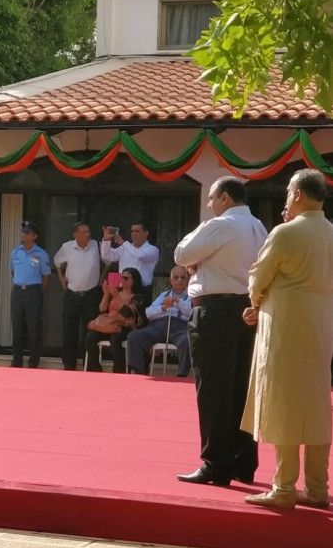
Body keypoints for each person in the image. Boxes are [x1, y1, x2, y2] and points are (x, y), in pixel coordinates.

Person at [239, 169, 333, 509]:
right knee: (316, 404)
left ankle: (283, 488)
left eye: (288, 193)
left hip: (285, 327)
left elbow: (258, 276)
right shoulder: (330, 233)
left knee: (285, 405)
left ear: (297, 195)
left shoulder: (285, 232)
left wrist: (255, 303)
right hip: (321, 328)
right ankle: (319, 487)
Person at [174, 176, 267, 487]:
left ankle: (216, 463)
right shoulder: (258, 227)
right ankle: (243, 461)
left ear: (225, 198)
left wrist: (198, 260)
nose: (210, 205)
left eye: (212, 198)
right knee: (242, 390)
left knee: (213, 389)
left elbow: (182, 254)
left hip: (215, 313)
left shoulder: (222, 225)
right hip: (246, 311)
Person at [126, 265, 193, 376]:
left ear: (188, 280)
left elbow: (191, 314)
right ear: (170, 280)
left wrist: (178, 302)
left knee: (187, 341)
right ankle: (136, 372)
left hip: (179, 327)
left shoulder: (191, 296)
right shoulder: (163, 295)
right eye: (176, 277)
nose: (179, 280)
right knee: (134, 336)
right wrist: (163, 308)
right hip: (158, 326)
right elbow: (148, 313)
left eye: (183, 277)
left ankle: (182, 375)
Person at [54, 222, 102, 370]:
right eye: (83, 232)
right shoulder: (67, 247)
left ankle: (90, 365)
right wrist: (61, 278)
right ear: (75, 234)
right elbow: (57, 262)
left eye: (88, 231)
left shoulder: (96, 246)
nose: (87, 234)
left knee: (91, 332)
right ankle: (69, 365)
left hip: (91, 294)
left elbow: (108, 261)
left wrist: (102, 277)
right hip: (72, 295)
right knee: (69, 330)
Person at [83, 267, 145, 373]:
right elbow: (102, 309)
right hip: (109, 325)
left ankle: (118, 370)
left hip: (124, 326)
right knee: (90, 337)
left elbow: (129, 313)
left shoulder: (137, 297)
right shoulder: (115, 292)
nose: (123, 280)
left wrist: (116, 296)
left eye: (126, 278)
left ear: (134, 280)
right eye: (121, 277)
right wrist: (107, 293)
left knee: (115, 339)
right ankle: (95, 370)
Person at [8, 221, 51, 368]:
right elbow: (13, 271)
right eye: (23, 232)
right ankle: (17, 360)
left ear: (35, 236)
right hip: (18, 291)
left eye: (28, 233)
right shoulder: (15, 252)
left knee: (34, 327)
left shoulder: (41, 254)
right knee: (17, 326)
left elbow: (46, 276)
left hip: (34, 291)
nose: (24, 235)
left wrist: (37, 291)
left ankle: (33, 361)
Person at [101, 222, 160, 300]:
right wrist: (106, 240)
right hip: (122, 288)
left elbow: (140, 255)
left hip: (141, 290)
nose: (134, 234)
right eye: (132, 231)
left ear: (146, 233)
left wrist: (123, 242)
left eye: (137, 231)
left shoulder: (153, 249)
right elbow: (107, 256)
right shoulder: (125, 247)